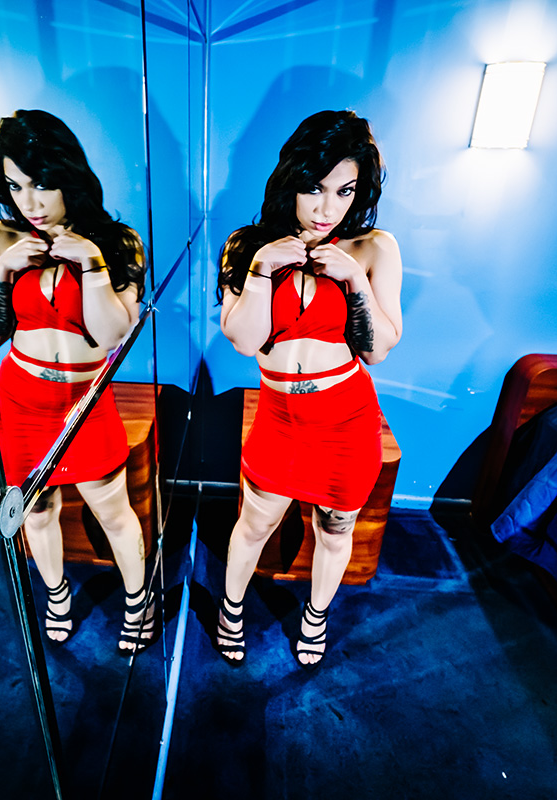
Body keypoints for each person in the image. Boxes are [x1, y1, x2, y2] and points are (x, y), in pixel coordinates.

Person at [214, 110, 403, 667]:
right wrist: (259, 271)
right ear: (291, 181)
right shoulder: (245, 244)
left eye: (345, 191)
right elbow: (244, 342)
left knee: (335, 526)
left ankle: (315, 617)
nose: (327, 209)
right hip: (279, 418)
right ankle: (230, 610)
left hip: (346, 418)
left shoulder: (374, 248)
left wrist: (354, 279)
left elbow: (377, 350)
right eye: (314, 188)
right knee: (254, 523)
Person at [0, 109, 153, 653]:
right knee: (38, 507)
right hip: (23, 397)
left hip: (84, 400)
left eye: (41, 184)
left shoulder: (118, 241)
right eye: (15, 187)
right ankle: (56, 594)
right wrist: (3, 272)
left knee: (112, 510)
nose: (29, 202)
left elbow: (111, 336)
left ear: (68, 176)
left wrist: (92, 264)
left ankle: (139, 599)